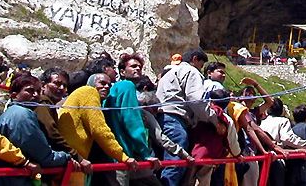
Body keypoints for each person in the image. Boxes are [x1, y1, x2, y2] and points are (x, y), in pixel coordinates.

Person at [0, 74, 74, 186]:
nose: (35, 95)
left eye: (38, 91)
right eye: (29, 91)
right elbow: (44, 156)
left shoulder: (12, 112)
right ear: (14, 95)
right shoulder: (21, 115)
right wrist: (67, 157)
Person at [58, 73, 138, 186]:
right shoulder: (89, 92)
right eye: (102, 83)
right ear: (91, 83)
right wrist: (123, 157)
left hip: (71, 157)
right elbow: (99, 129)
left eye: (109, 85)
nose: (106, 87)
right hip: (73, 159)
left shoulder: (83, 94)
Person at [156, 48, 219, 186]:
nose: (201, 68)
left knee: (167, 161)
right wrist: (213, 119)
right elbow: (196, 100)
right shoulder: (191, 72)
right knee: (176, 163)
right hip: (176, 119)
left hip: (161, 118)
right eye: (201, 64)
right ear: (195, 59)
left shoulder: (168, 73)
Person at [105, 54, 161, 185]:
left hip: (113, 151)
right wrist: (145, 153)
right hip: (123, 153)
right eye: (133, 66)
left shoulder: (115, 88)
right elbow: (131, 120)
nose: (138, 69)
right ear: (122, 71)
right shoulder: (127, 86)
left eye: (140, 67)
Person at [35, 68, 94, 180]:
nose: (61, 88)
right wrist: (78, 157)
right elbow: (52, 133)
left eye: (64, 85)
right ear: (43, 85)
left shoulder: (50, 105)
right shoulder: (43, 103)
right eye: (57, 83)